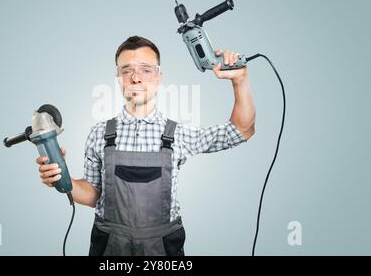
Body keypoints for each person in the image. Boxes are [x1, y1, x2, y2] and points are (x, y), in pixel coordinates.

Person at [36, 36, 256, 256]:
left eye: (146, 70)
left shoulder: (179, 134)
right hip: (110, 246)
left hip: (162, 248)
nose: (135, 78)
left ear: (159, 76)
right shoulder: (99, 133)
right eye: (126, 70)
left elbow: (242, 130)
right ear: (118, 77)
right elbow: (94, 195)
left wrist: (240, 80)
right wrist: (62, 179)